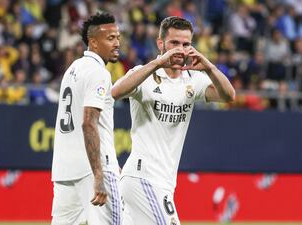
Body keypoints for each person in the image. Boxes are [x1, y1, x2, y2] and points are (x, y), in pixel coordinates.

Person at [112, 16, 235, 225]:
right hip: (144, 177)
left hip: (165, 181)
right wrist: (157, 63)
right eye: (174, 43)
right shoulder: (146, 76)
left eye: (186, 44)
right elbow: (116, 91)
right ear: (161, 44)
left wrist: (209, 67)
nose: (180, 49)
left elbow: (228, 96)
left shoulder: (192, 80)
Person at [51, 12, 122, 225]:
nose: (117, 43)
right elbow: (88, 122)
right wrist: (99, 173)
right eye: (110, 38)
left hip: (64, 168)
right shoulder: (98, 72)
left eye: (118, 37)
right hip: (92, 169)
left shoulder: (73, 68)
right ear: (93, 42)